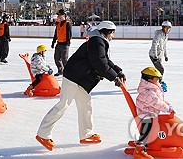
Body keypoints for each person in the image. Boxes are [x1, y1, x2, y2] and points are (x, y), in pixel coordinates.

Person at [36, 21, 125, 151]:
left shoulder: (98, 42)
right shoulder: (97, 42)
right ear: (106, 32)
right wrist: (114, 78)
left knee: (86, 104)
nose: (113, 36)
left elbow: (105, 60)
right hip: (73, 77)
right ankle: (43, 134)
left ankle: (86, 134)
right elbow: (99, 63)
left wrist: (118, 71)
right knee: (63, 105)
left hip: (80, 79)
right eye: (112, 33)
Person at [133, 67, 173, 159]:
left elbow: (161, 99)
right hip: (146, 113)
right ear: (150, 80)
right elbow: (157, 103)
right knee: (147, 128)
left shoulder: (153, 87)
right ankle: (139, 149)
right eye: (157, 78)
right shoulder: (148, 91)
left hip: (151, 111)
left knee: (153, 127)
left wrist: (169, 105)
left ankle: (144, 143)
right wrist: (167, 109)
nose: (159, 80)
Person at [51, 9, 72, 76]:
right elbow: (56, 34)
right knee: (56, 58)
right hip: (59, 43)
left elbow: (69, 34)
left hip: (65, 44)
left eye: (60, 15)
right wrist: (53, 42)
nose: (59, 17)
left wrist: (67, 43)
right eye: (58, 15)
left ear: (64, 16)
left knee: (64, 60)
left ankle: (68, 72)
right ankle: (60, 70)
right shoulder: (58, 24)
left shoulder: (67, 24)